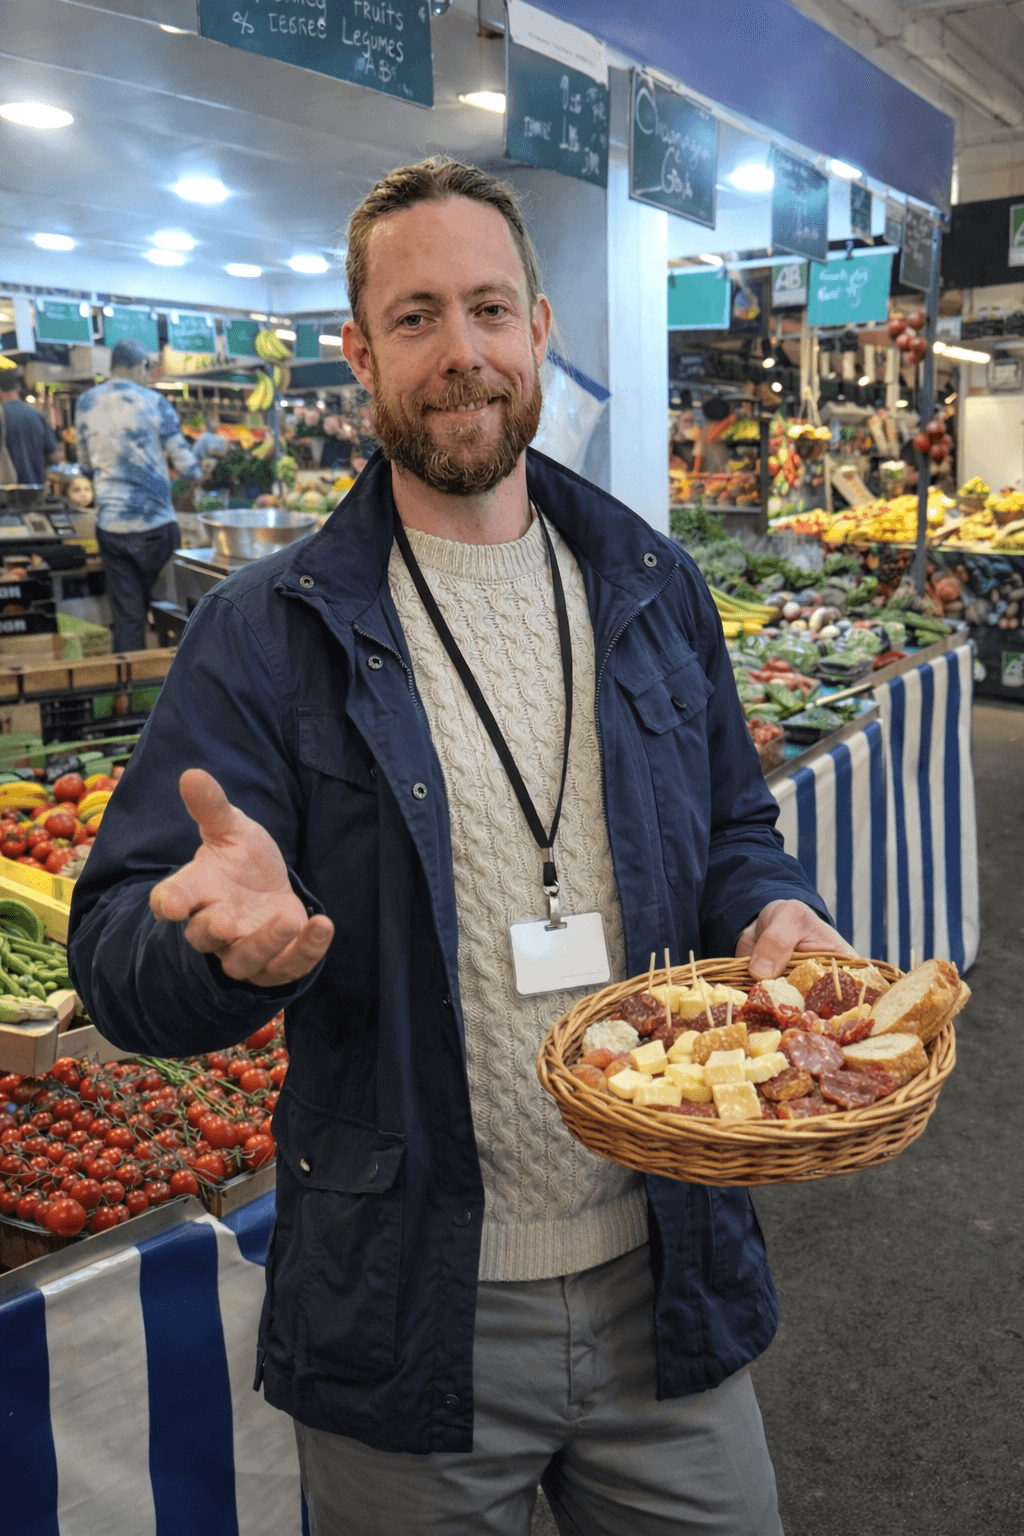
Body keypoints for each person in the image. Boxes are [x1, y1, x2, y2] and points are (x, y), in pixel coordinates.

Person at [68, 159, 854, 1536]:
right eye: (417, 317)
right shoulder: (263, 634)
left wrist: (774, 911)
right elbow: (122, 956)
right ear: (362, 354)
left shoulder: (655, 588)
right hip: (409, 1307)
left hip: (666, 1271)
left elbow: (737, 827)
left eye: (489, 308)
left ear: (541, 327)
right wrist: (220, 953)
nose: (462, 355)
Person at [74, 337, 200, 651]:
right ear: (142, 366)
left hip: (111, 527)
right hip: (157, 525)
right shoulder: (155, 402)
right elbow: (189, 468)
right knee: (171, 613)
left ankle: (130, 698)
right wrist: (182, 484)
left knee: (128, 618)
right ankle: (176, 692)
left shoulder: (86, 402)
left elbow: (86, 466)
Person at [0, 367, 59, 484]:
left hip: (6, 493)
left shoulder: (2, 414)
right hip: (35, 491)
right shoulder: (37, 415)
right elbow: (52, 452)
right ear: (16, 388)